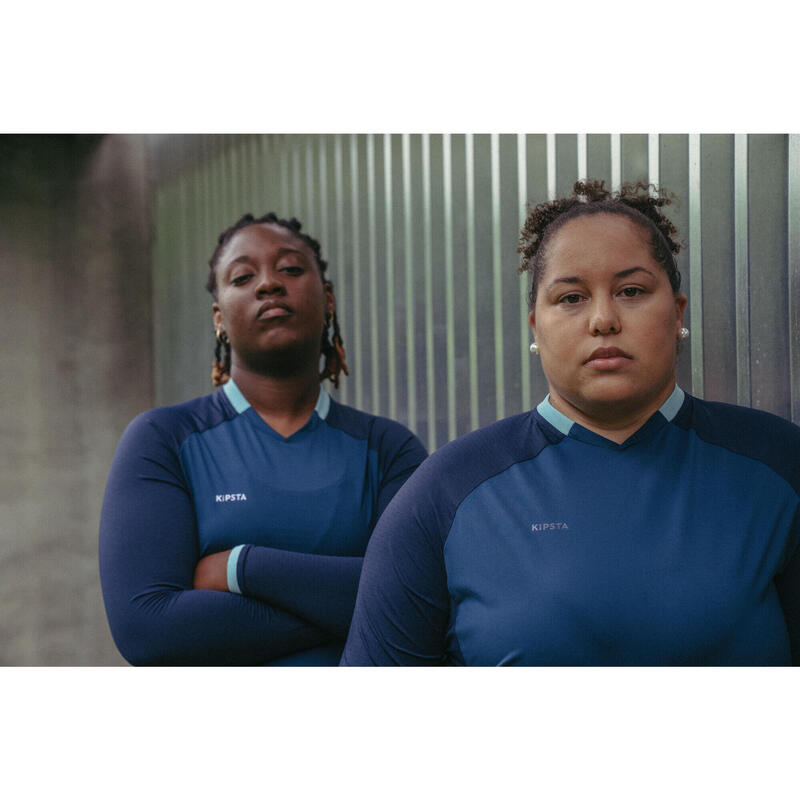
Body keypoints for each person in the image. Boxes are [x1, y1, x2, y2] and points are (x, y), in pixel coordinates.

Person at [341, 180, 800, 666]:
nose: (603, 319)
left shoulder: (779, 463)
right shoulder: (445, 491)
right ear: (536, 327)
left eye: (631, 290)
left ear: (677, 312)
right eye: (571, 298)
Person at [99, 212, 427, 665]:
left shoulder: (389, 451)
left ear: (327, 299)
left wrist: (241, 567)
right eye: (243, 277)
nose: (269, 284)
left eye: (291, 269)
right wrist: (346, 604)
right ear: (219, 317)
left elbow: (421, 600)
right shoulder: (164, 440)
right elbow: (147, 628)